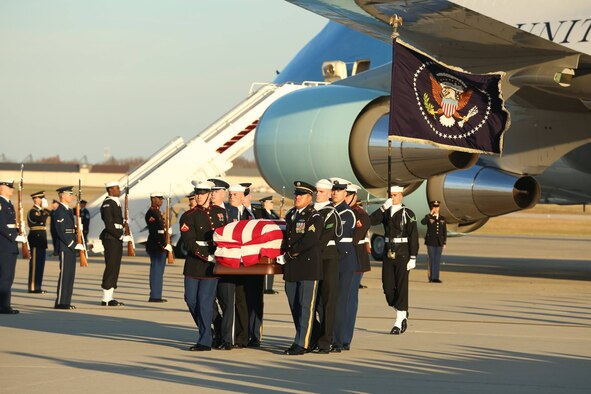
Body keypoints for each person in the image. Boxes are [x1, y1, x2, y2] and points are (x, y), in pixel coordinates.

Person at [278, 181, 323, 355]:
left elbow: (309, 241)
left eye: (301, 195)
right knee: (294, 305)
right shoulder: (291, 215)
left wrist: (288, 255)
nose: (297, 197)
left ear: (309, 198)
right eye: (296, 194)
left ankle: (302, 343)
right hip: (292, 268)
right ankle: (308, 336)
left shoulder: (314, 216)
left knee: (306, 306)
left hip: (307, 266)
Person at [180, 180, 224, 351]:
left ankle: (204, 339)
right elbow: (189, 243)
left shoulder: (220, 213)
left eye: (202, 193)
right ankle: (210, 330)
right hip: (195, 262)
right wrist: (207, 256)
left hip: (212, 264)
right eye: (197, 193)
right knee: (191, 300)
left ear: (209, 195)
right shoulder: (188, 215)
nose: (198, 196)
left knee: (205, 302)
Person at [369, 185, 419, 335]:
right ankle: (401, 310)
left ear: (401, 196)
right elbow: (371, 221)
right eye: (391, 195)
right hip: (388, 252)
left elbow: (413, 236)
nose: (393, 198)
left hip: (403, 252)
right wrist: (383, 207)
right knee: (388, 288)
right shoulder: (386, 211)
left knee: (402, 287)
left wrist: (413, 257)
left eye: (396, 195)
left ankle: (399, 320)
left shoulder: (408, 213)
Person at [310, 178, 341, 353]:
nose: (317, 194)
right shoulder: (310, 210)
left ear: (330, 193)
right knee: (311, 302)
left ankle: (325, 340)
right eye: (316, 191)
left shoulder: (331, 213)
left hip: (328, 259)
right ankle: (312, 336)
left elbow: (324, 238)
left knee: (328, 301)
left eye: (321, 191)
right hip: (312, 260)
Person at [330, 179, 358, 352]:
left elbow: (338, 239)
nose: (335, 193)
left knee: (340, 303)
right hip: (332, 261)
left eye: (338, 191)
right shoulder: (329, 210)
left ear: (345, 194)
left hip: (343, 262)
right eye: (333, 190)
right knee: (329, 302)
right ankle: (329, 336)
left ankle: (338, 341)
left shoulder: (347, 214)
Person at [343, 183, 371, 350]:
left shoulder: (359, 214)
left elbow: (353, 238)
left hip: (355, 261)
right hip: (341, 261)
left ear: (354, 196)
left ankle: (345, 337)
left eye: (348, 195)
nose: (344, 197)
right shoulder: (339, 212)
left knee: (349, 300)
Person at [99, 181, 131, 307]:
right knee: (111, 266)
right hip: (111, 238)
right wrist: (121, 236)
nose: (119, 190)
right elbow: (109, 224)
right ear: (110, 190)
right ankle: (106, 298)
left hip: (116, 238)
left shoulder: (116, 203)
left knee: (115, 267)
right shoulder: (108, 203)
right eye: (117, 188)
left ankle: (110, 296)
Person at [53, 186, 82, 310]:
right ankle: (60, 302)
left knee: (70, 275)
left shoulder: (68, 210)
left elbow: (70, 230)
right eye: (70, 194)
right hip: (66, 247)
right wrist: (72, 244)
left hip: (71, 246)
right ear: (63, 196)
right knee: (65, 274)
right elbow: (61, 231)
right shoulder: (60, 211)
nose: (72, 196)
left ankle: (66, 301)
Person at [0, 179, 25, 314]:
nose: (12, 190)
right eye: (9, 187)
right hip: (4, 245)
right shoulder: (1, 203)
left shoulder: (8, 204)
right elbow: (1, 224)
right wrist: (14, 236)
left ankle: (5, 304)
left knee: (7, 276)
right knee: (5, 276)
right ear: (2, 188)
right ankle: (3, 306)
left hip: (8, 245)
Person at [145, 192, 173, 302]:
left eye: (162, 199)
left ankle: (157, 294)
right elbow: (155, 232)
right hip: (156, 246)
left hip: (160, 246)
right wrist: (164, 245)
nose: (161, 201)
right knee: (156, 271)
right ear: (153, 199)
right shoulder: (152, 213)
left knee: (159, 271)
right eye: (159, 199)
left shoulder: (157, 212)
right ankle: (155, 296)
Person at [27, 191, 50, 293]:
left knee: (40, 265)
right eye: (40, 198)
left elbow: (44, 218)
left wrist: (45, 211)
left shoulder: (40, 211)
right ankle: (32, 286)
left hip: (41, 240)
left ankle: (38, 286)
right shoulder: (32, 211)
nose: (42, 200)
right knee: (35, 264)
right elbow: (41, 219)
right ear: (36, 199)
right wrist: (45, 211)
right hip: (35, 240)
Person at [255, 196, 280, 295]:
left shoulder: (272, 213)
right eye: (271, 202)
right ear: (264, 203)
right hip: (266, 243)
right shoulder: (261, 213)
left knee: (272, 266)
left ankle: (269, 287)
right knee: (266, 267)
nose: (272, 204)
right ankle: (265, 287)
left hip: (273, 243)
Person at [421, 200, 447, 283]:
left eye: (437, 207)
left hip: (439, 242)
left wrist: (444, 242)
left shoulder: (442, 218)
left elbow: (444, 231)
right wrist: (429, 214)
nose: (436, 208)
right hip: (430, 242)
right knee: (431, 259)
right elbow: (423, 222)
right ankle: (431, 277)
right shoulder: (429, 217)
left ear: (439, 208)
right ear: (432, 208)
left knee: (437, 259)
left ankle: (436, 277)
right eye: (434, 207)